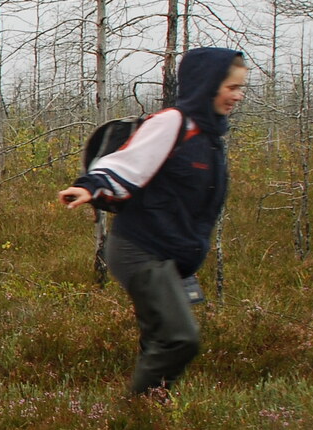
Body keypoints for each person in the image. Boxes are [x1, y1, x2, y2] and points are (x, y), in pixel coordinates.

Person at [56, 47, 247, 399]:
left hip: (170, 258)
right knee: (180, 338)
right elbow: (128, 163)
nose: (237, 95)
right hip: (140, 250)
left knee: (159, 342)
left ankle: (150, 410)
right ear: (208, 84)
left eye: (241, 88)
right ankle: (135, 412)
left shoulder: (210, 137)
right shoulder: (173, 123)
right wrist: (90, 187)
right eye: (231, 87)